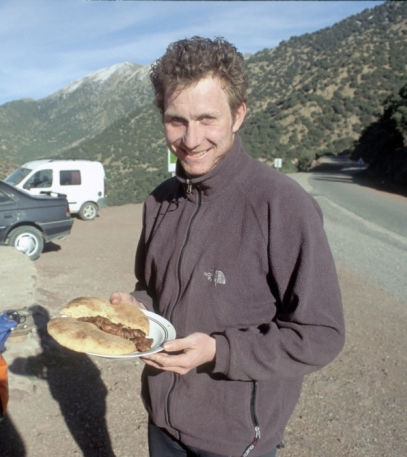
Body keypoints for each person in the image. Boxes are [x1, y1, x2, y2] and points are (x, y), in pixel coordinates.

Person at [110, 36, 345, 457]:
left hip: (235, 440)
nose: (190, 138)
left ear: (238, 115)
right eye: (176, 120)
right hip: (162, 423)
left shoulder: (282, 205)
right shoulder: (159, 201)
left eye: (206, 118)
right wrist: (135, 304)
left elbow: (321, 334)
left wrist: (219, 351)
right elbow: (154, 286)